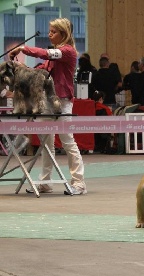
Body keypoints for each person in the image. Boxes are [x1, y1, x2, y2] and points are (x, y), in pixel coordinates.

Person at [9, 17, 87, 195]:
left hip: (63, 102)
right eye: (50, 31)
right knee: (46, 142)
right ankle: (45, 181)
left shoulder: (67, 51)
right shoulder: (54, 54)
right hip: (46, 102)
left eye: (53, 31)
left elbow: (44, 54)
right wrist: (20, 67)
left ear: (63, 34)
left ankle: (79, 183)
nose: (49, 34)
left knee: (68, 141)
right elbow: (40, 71)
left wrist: (23, 48)